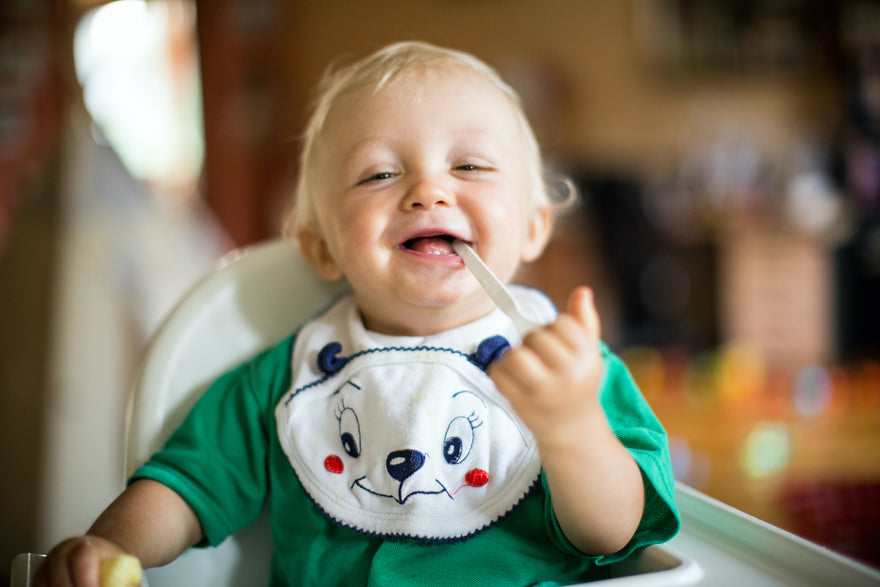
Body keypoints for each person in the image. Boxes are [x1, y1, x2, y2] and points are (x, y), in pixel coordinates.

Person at [37, 41, 680, 587]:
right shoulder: (294, 376)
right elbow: (184, 487)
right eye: (378, 174)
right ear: (322, 246)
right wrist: (111, 549)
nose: (429, 189)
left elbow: (615, 531)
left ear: (536, 226)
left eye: (471, 165)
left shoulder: (568, 371)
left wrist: (569, 427)